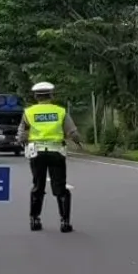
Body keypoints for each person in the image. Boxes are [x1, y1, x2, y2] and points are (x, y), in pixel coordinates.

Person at [17, 82, 82, 233]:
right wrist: (78, 142)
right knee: (61, 187)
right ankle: (65, 222)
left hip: (37, 153)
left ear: (36, 96)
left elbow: (22, 133)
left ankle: (34, 220)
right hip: (56, 152)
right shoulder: (60, 111)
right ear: (51, 95)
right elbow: (72, 132)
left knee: (38, 186)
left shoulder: (29, 112)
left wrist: (22, 143)